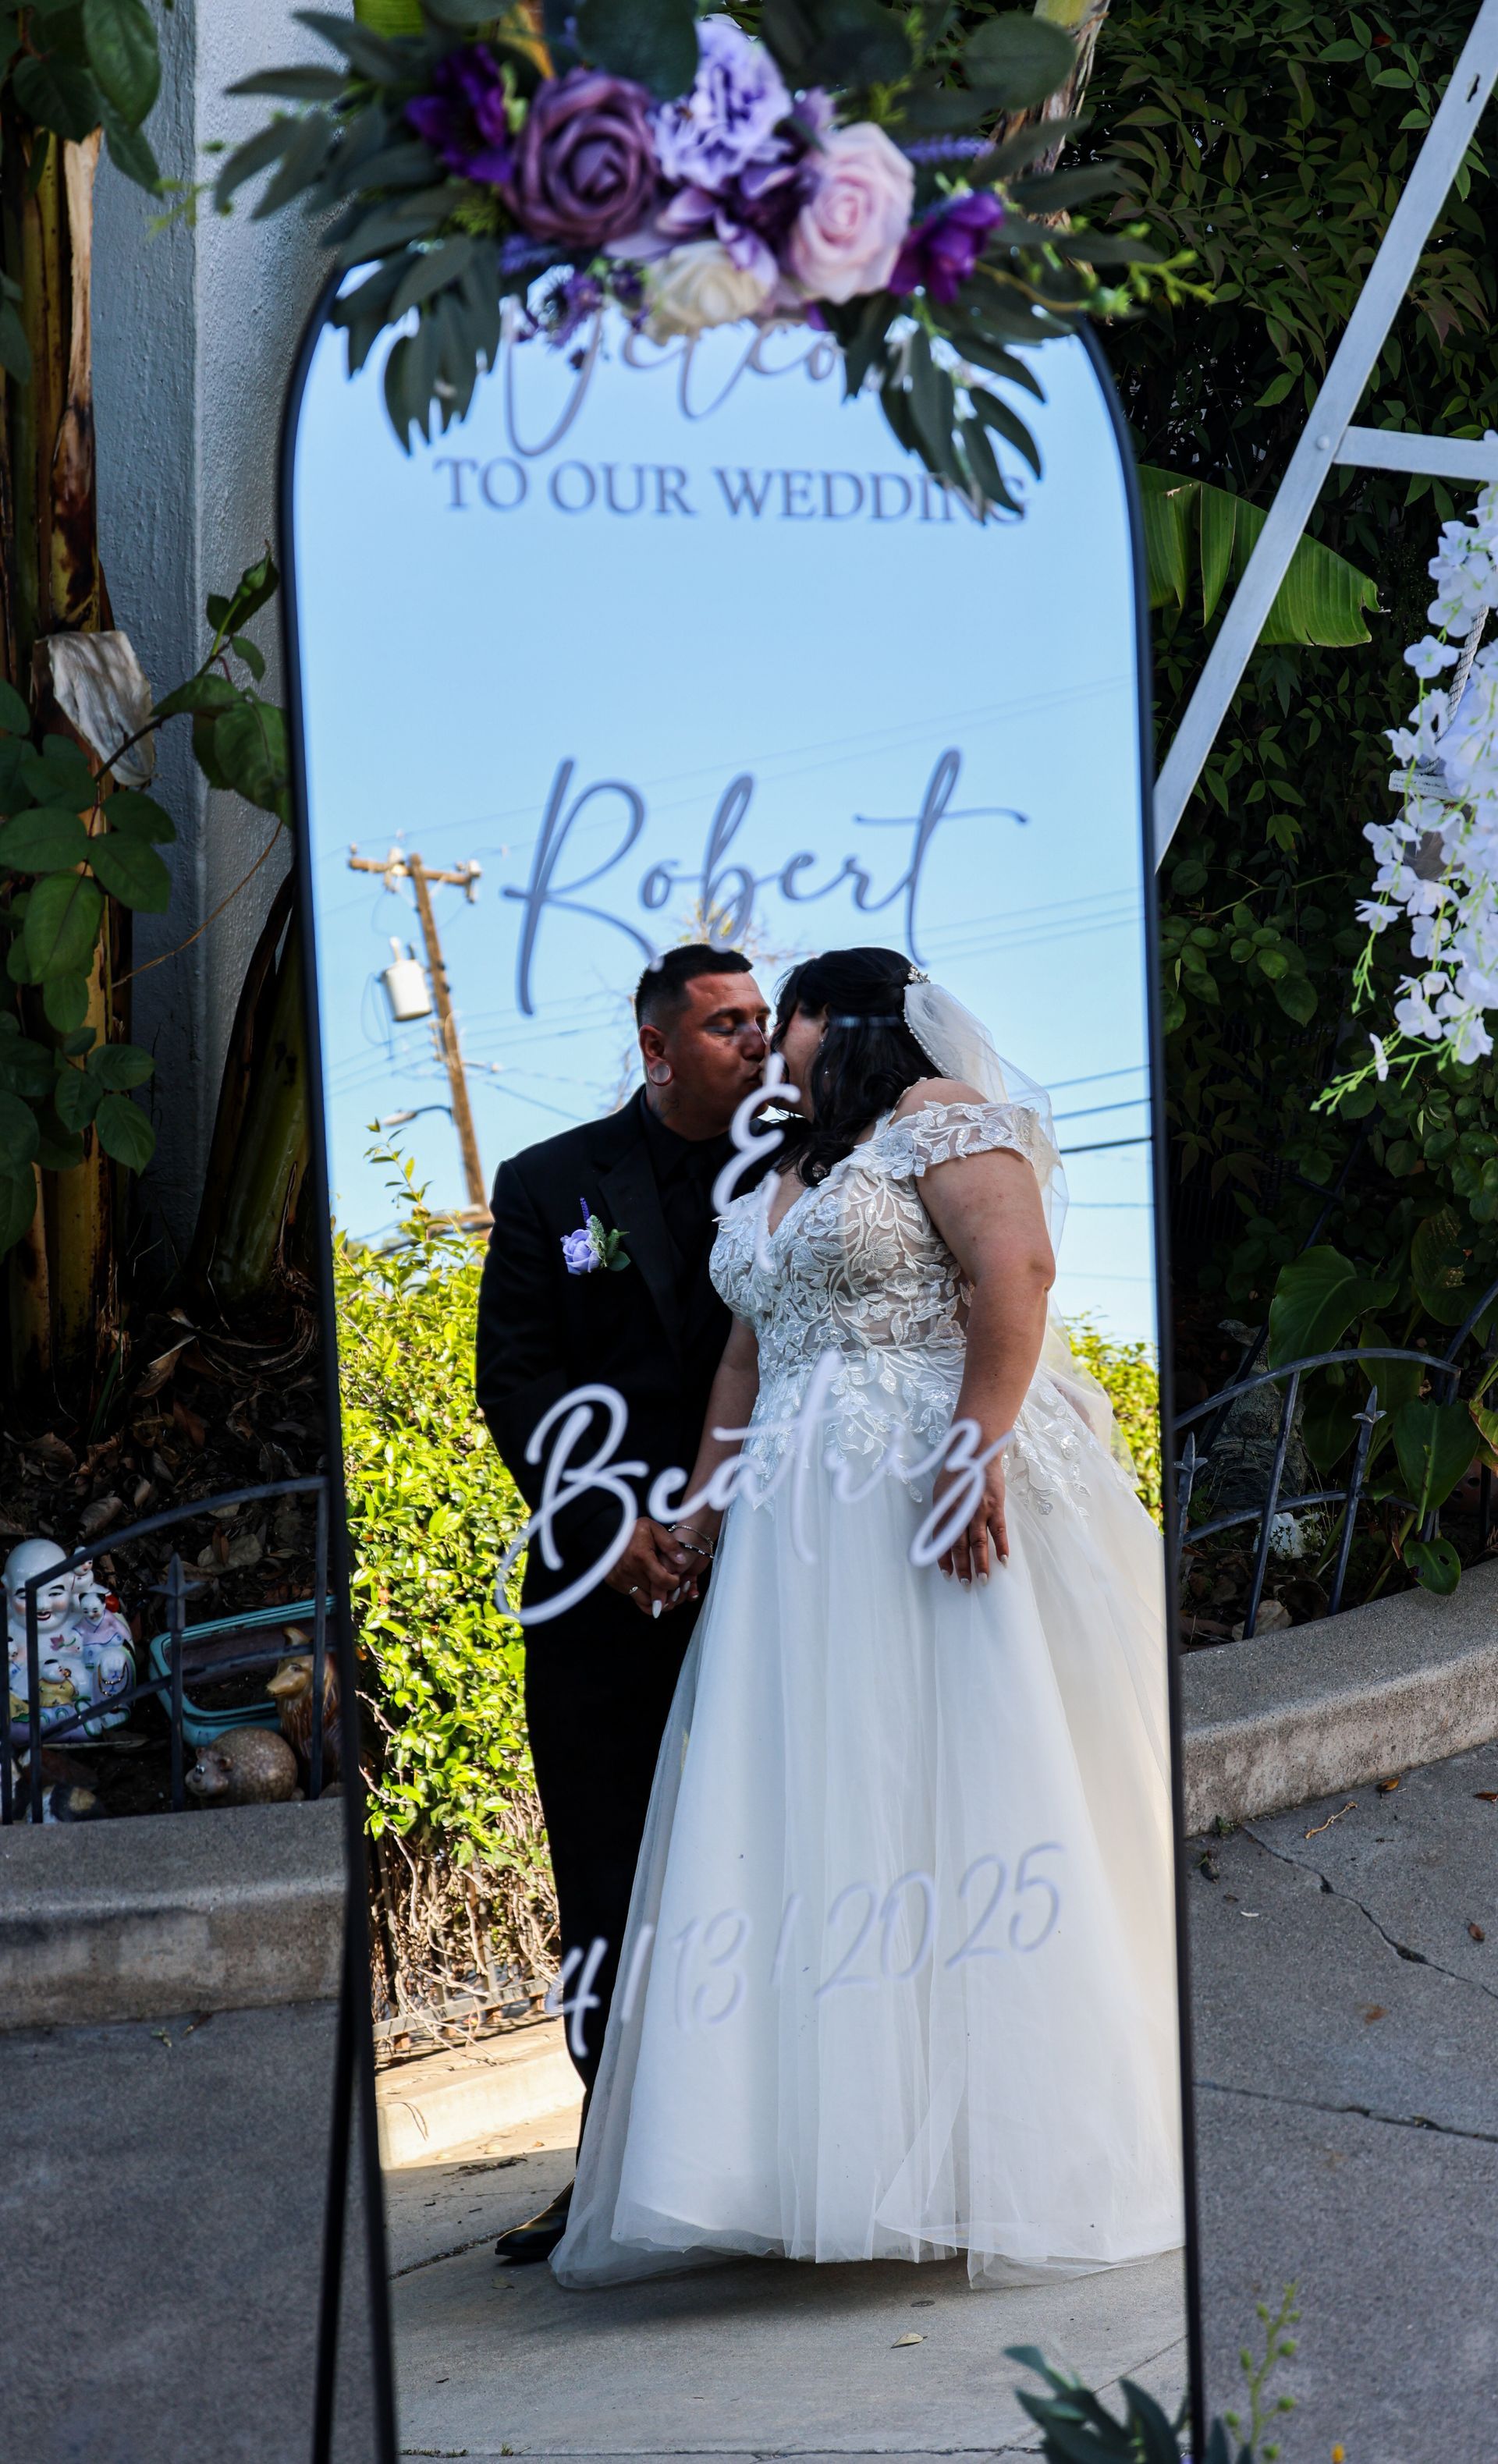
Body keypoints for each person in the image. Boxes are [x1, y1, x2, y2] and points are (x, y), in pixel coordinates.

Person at [551, 945, 1183, 2289]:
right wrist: (701, 1517)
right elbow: (745, 1356)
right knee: (821, 1808)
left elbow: (1017, 1271)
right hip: (794, 1536)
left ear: (834, 1021)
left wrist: (973, 1449)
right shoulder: (796, 1168)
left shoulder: (936, 1117)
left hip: (910, 1493)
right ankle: (813, 2161)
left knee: (955, 1787)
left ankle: (1011, 2150)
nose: (768, 1043)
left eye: (781, 1017)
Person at [475, 943, 771, 2262]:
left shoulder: (804, 1170)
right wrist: (609, 1531)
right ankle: (608, 2166)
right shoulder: (549, 1185)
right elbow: (517, 1379)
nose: (755, 1041)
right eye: (725, 1025)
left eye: (762, 1019)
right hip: (598, 1599)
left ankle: (766, 2157)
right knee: (602, 1874)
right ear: (656, 1048)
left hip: (768, 1577)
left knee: (766, 1861)